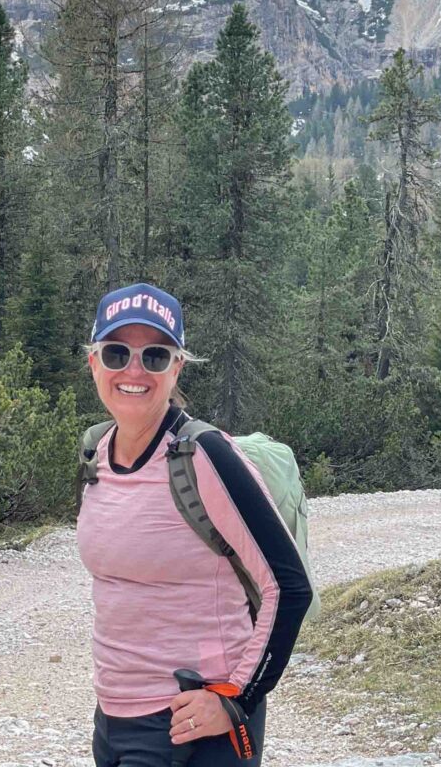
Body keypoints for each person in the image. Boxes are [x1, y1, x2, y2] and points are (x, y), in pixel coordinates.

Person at [77, 282, 313, 767]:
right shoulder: (95, 450)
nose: (134, 370)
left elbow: (289, 587)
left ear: (177, 365)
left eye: (156, 356)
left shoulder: (205, 455)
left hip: (195, 727)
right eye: (117, 353)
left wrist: (237, 700)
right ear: (94, 362)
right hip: (114, 719)